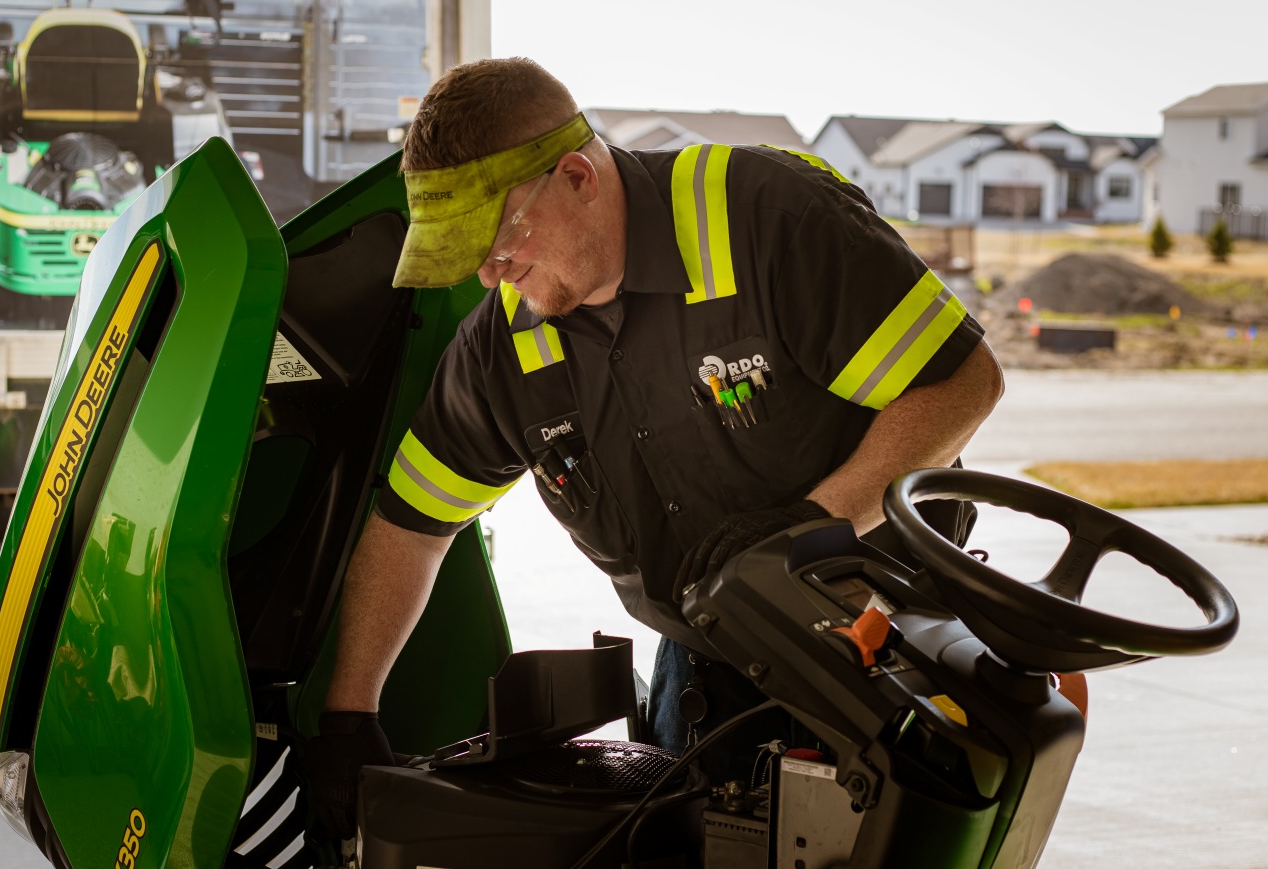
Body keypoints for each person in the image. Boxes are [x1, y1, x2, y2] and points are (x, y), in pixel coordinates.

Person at [302, 57, 1004, 838]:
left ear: (576, 176)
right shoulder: (504, 348)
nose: (487, 271)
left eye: (498, 238)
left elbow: (962, 382)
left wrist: (814, 527)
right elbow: (411, 526)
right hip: (708, 665)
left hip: (892, 643)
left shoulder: (764, 219)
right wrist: (348, 712)